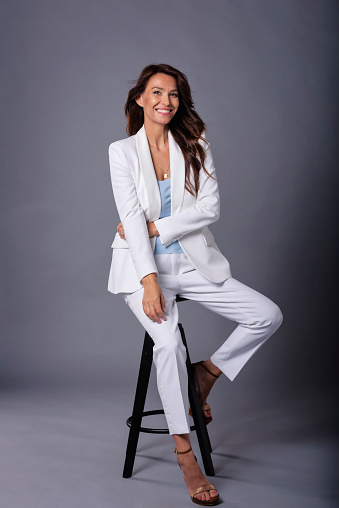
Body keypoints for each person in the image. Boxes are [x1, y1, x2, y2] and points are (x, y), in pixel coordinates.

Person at [107, 63, 283, 506]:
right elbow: (128, 218)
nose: (166, 101)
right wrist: (149, 281)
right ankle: (186, 456)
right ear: (140, 99)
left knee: (266, 315)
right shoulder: (121, 152)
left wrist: (154, 228)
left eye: (174, 95)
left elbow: (210, 209)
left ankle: (205, 373)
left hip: (193, 263)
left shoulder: (196, 145)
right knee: (167, 345)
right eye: (157, 93)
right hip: (142, 270)